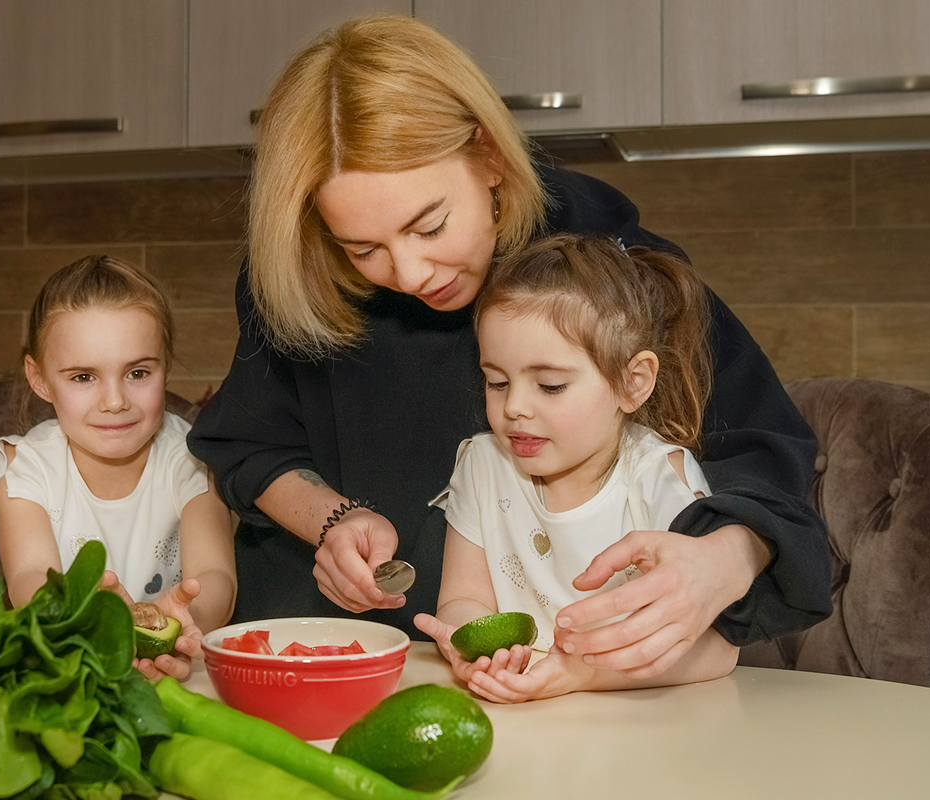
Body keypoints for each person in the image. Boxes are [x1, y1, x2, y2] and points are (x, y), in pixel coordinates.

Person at [188, 14, 832, 674]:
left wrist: (718, 563)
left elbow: (761, 457)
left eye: (430, 226)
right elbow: (251, 445)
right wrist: (329, 520)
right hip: (329, 649)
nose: (409, 274)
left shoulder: (601, 266)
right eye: (363, 250)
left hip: (571, 674)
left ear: (489, 158)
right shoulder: (296, 269)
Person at [414, 234, 740, 702]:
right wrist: (475, 647)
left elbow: (715, 650)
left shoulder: (659, 477)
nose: (515, 408)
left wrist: (580, 675)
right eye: (497, 382)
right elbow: (465, 599)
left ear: (634, 383)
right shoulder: (483, 464)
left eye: (549, 386)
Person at [0, 255, 236, 681]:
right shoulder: (22, 467)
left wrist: (191, 624)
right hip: (65, 670)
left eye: (137, 372)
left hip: (180, 677)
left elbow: (215, 574)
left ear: (165, 366)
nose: (115, 401)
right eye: (83, 377)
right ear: (39, 377)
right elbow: (28, 578)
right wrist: (82, 615)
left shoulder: (191, 456)